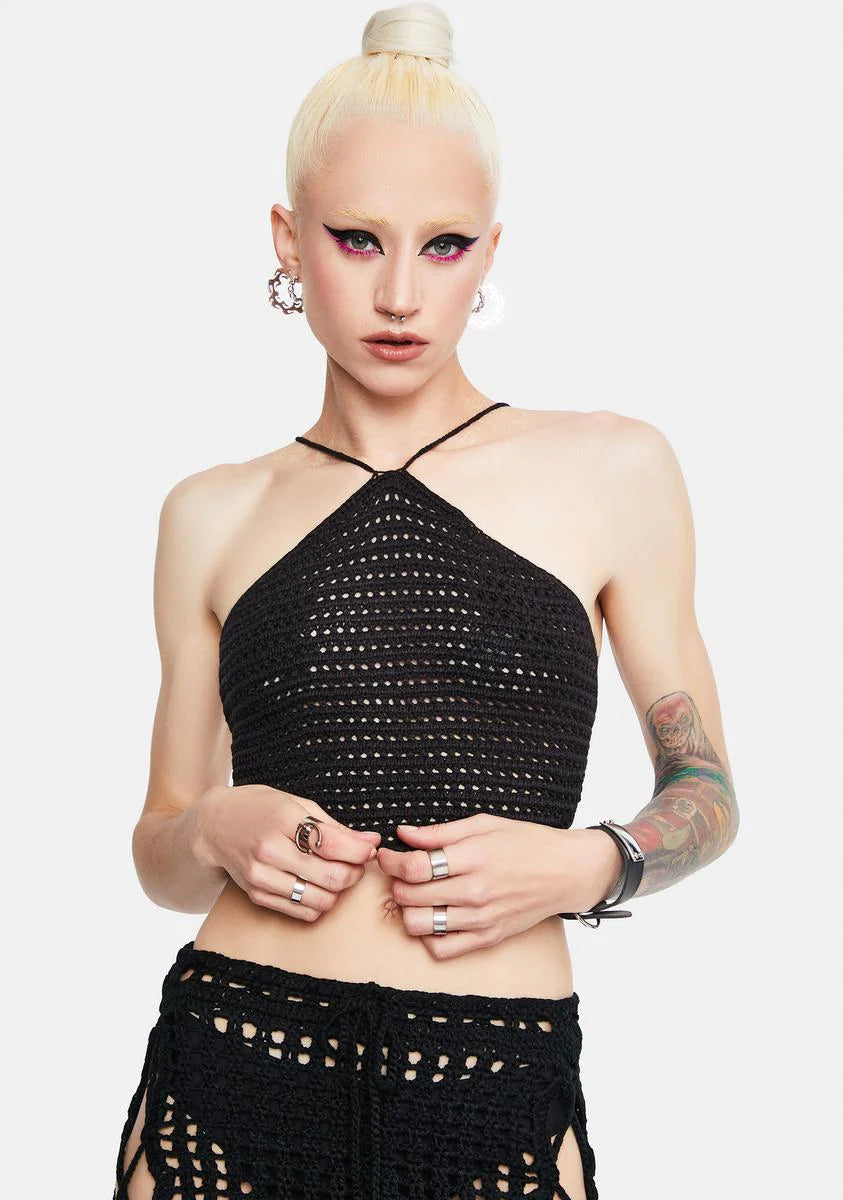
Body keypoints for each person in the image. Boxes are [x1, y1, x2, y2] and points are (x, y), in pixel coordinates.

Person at [113, 5, 740, 1198]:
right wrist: (213, 829)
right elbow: (160, 846)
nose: (400, 293)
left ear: (491, 254)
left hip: (494, 1067)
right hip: (235, 1053)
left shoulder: (614, 469)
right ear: (288, 239)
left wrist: (588, 865)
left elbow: (705, 791)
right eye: (357, 239)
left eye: (444, 246)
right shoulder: (210, 513)